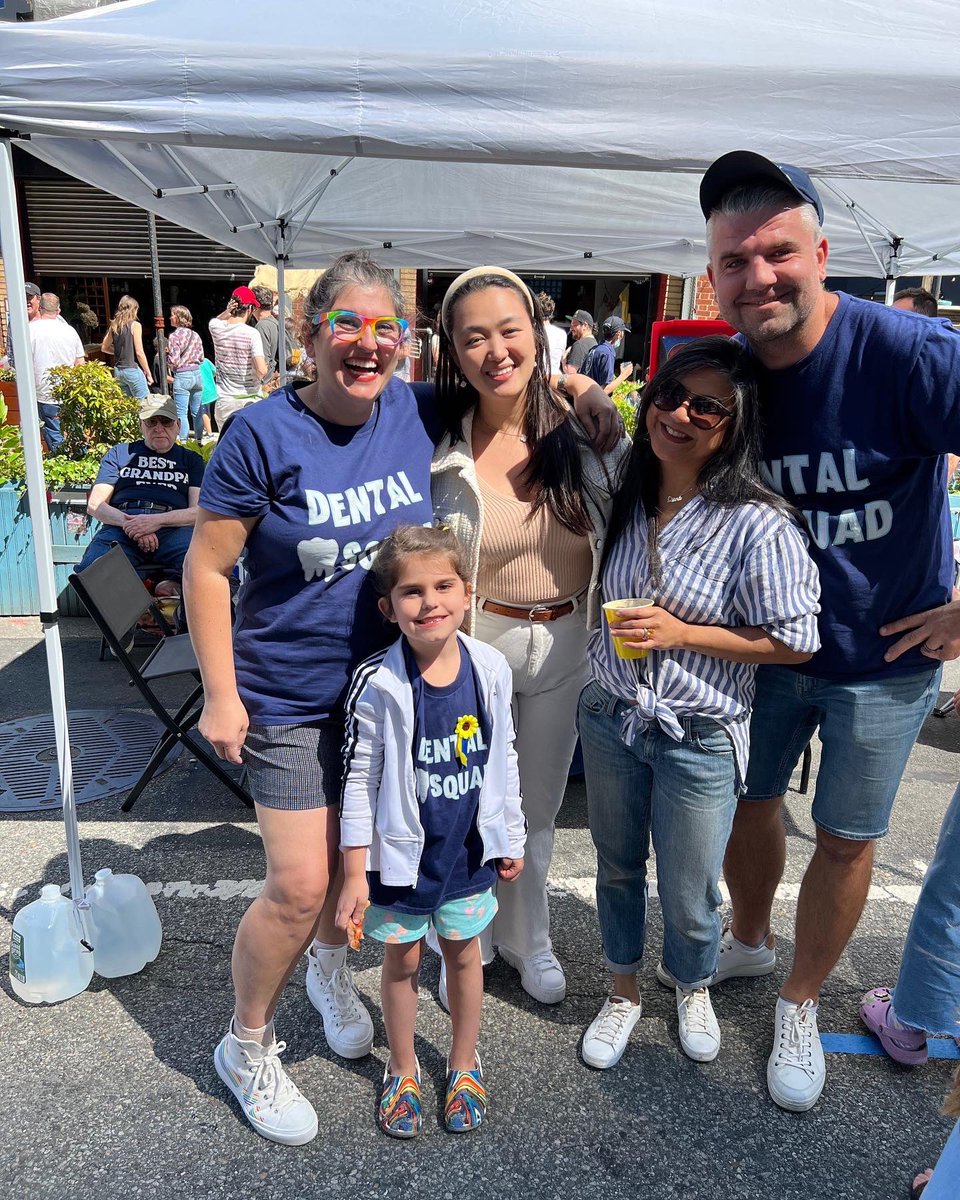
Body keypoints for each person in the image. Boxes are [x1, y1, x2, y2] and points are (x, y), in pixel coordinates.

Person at [186, 250, 619, 1147]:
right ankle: (246, 1044)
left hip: (390, 690)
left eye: (386, 329)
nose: (367, 345)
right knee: (302, 885)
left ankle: (330, 976)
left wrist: (584, 387)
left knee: (374, 865)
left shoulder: (411, 411)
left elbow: (504, 381)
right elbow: (206, 565)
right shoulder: (260, 436)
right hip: (294, 698)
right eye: (345, 325)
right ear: (306, 335)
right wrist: (220, 693)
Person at [699, 148, 960, 1111]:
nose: (758, 276)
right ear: (712, 271)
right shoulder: (726, 374)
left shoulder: (909, 353)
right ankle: (753, 945)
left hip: (883, 660)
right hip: (763, 652)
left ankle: (802, 1002)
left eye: (777, 253)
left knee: (848, 838)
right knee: (751, 803)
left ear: (820, 249)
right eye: (735, 259)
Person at [577, 337, 819, 1070]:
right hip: (612, 711)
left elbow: (797, 640)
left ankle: (692, 984)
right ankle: (622, 990)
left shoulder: (759, 521)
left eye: (706, 406)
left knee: (689, 887)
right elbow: (559, 397)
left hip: (700, 728)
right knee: (617, 868)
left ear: (735, 424)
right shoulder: (624, 481)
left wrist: (685, 632)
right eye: (669, 395)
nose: (679, 414)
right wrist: (579, 381)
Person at [431, 267, 628, 1007]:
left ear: (537, 337)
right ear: (452, 349)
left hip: (569, 637)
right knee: (472, 804)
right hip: (477, 643)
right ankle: (471, 944)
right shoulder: (436, 439)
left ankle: (529, 938)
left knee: (538, 810)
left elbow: (640, 509)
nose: (495, 350)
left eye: (508, 331)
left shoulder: (588, 430)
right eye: (473, 337)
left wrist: (590, 391)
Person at [336, 524, 526, 1137]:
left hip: (468, 854)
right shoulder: (377, 683)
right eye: (412, 592)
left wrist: (511, 836)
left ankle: (465, 1065)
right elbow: (359, 782)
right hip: (399, 863)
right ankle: (403, 1068)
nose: (430, 602)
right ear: (389, 609)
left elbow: (505, 759)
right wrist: (352, 875)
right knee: (401, 963)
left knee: (465, 959)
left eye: (444, 585)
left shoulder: (490, 667)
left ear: (467, 593)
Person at [78, 396, 203, 575]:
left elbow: (197, 512)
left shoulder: (191, 460)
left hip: (172, 527)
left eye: (166, 422)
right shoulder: (119, 453)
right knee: (91, 573)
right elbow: (95, 505)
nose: (159, 429)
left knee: (204, 568)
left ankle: (171, 589)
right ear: (141, 425)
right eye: (151, 422)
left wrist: (154, 522)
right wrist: (135, 526)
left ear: (178, 425)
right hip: (122, 525)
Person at [28, 292, 85, 452]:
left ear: (40, 308)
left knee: (54, 433)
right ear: (58, 310)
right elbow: (80, 363)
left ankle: (63, 465)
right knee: (76, 430)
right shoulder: (70, 331)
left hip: (43, 392)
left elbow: (23, 363)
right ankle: (80, 462)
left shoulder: (30, 330)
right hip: (70, 392)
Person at [207, 286, 269, 427]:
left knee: (226, 446)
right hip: (249, 401)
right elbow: (261, 370)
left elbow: (217, 320)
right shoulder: (252, 334)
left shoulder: (215, 327)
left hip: (224, 402)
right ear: (250, 309)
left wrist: (227, 311)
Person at [101, 294, 153, 400]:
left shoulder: (114, 325)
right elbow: (139, 352)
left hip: (118, 371)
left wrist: (119, 352)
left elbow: (104, 347)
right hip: (132, 369)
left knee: (127, 407)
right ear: (133, 310)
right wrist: (148, 372)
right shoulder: (135, 325)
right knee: (144, 404)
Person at [166, 306, 205, 441]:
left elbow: (174, 361)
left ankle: (183, 442)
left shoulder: (174, 336)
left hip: (183, 375)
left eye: (172, 315)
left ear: (177, 318)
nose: (170, 317)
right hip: (197, 373)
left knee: (181, 413)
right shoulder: (196, 335)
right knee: (197, 412)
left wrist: (167, 358)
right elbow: (201, 357)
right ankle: (199, 441)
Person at [581, 314, 631, 391]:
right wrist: (624, 375)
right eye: (623, 332)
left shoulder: (594, 349)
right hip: (593, 401)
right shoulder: (607, 354)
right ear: (619, 334)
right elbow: (604, 390)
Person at [537, 291, 568, 375]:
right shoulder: (562, 334)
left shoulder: (533, 332)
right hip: (555, 377)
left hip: (537, 378)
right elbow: (562, 358)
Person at [253, 285, 280, 376]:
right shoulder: (274, 322)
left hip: (266, 383)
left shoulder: (262, 326)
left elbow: (264, 362)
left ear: (254, 305)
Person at [561, 308, 597, 373]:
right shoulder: (595, 343)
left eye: (574, 325)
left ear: (585, 326)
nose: (571, 329)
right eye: (571, 325)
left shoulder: (579, 345)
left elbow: (571, 375)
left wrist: (563, 359)